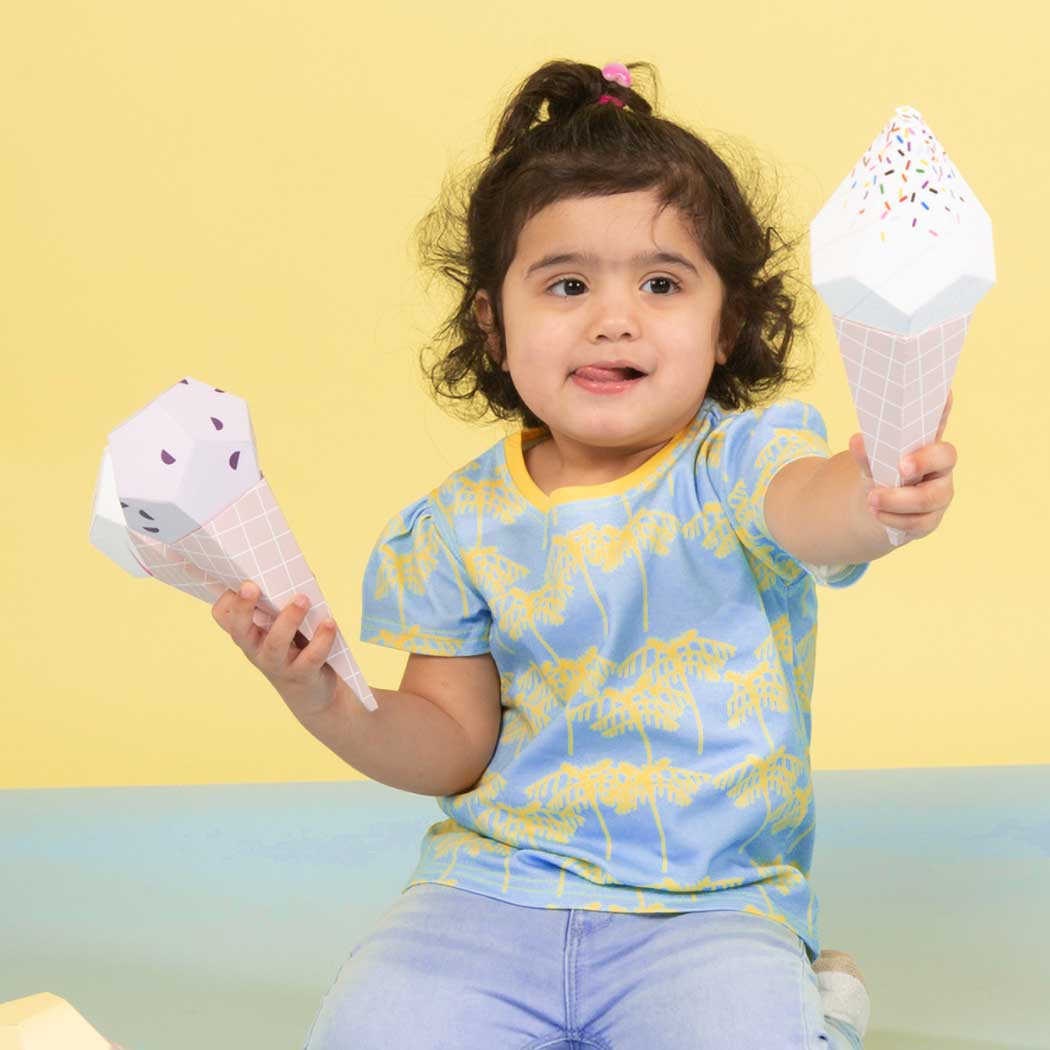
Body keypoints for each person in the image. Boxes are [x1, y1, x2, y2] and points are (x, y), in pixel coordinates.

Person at [212, 59, 958, 1050]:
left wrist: (876, 496)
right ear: (493, 323)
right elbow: (452, 743)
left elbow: (812, 511)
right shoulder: (457, 524)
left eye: (662, 283)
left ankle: (815, 1011)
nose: (614, 318)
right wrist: (323, 697)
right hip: (488, 896)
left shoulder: (738, 466)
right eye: (567, 285)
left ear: (726, 325)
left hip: (706, 909)